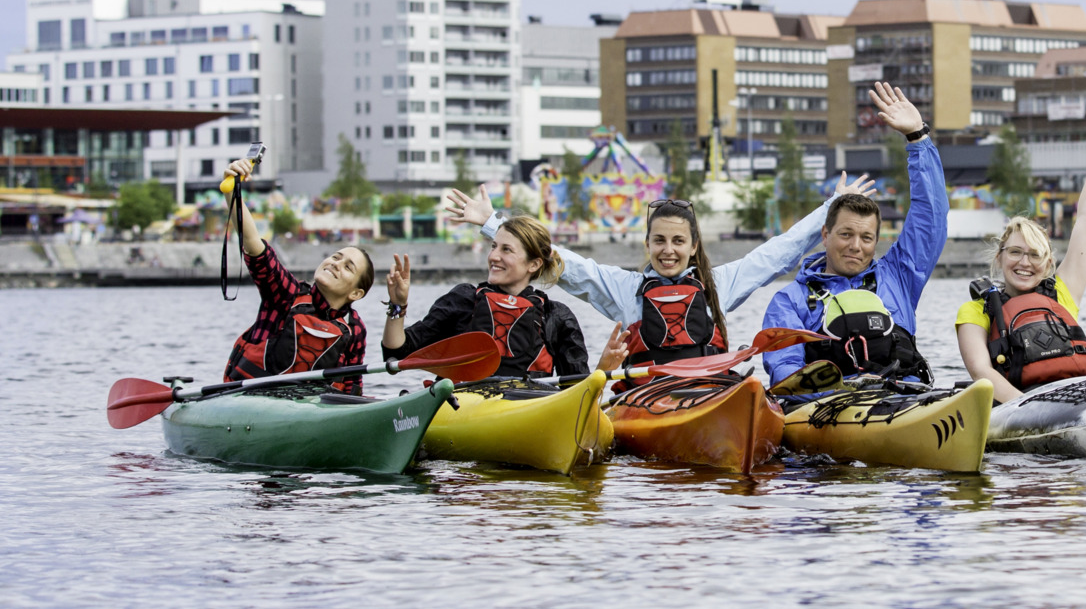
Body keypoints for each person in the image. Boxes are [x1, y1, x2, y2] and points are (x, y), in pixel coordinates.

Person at [438, 172, 877, 369]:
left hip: (706, 392)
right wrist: (490, 223)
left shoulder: (718, 284)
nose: (668, 251)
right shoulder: (625, 289)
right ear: (647, 245)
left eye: (678, 242)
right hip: (651, 394)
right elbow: (562, 263)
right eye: (660, 242)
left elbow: (778, 253)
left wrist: (830, 207)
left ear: (693, 246)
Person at [760, 83, 947, 385]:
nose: (856, 247)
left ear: (876, 240)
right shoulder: (790, 301)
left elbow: (931, 217)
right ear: (825, 234)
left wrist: (918, 138)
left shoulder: (899, 276)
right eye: (846, 234)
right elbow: (785, 369)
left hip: (902, 401)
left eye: (866, 238)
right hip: (828, 408)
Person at [955, 89, 1086, 402]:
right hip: (1021, 404)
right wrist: (1031, 409)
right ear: (1000, 258)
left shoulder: (1063, 294)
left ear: (1048, 263)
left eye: (1034, 255)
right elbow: (981, 372)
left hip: (1077, 399)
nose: (1024, 262)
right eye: (1015, 252)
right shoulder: (975, 311)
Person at [219, 155, 390, 393]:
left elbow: (352, 384)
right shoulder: (287, 293)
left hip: (308, 411)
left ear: (356, 292)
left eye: (348, 266)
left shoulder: (355, 327)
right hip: (250, 398)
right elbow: (254, 245)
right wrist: (232, 191)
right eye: (336, 256)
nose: (335, 263)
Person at [380, 212, 586, 379]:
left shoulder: (556, 316)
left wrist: (605, 365)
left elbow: (577, 388)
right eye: (494, 246)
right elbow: (397, 354)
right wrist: (398, 305)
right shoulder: (463, 300)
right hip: (462, 407)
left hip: (527, 409)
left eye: (506, 250)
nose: (494, 256)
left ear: (534, 264)